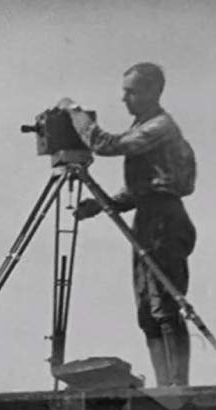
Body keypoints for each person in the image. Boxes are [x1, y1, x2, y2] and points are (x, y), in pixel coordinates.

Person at [57, 62, 197, 387]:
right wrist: (100, 205)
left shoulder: (160, 126)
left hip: (165, 221)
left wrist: (74, 112)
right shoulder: (144, 123)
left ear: (153, 91)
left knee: (165, 307)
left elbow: (109, 145)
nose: (124, 98)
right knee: (147, 312)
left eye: (131, 91)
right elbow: (142, 188)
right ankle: (166, 388)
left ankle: (176, 389)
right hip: (148, 218)